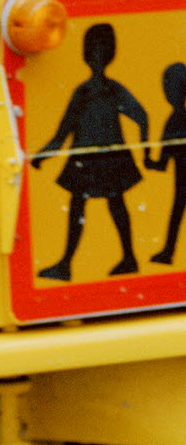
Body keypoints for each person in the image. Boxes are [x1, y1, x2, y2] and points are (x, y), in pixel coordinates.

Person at [31, 19, 149, 282]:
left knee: (116, 204)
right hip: (85, 159)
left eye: (102, 51)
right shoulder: (82, 93)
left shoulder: (112, 90)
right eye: (93, 50)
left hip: (109, 157)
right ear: (86, 54)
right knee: (79, 206)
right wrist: (40, 156)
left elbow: (141, 116)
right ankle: (66, 264)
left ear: (109, 54)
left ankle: (128, 258)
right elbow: (62, 134)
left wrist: (145, 149)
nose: (97, 56)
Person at [147, 59, 186, 265]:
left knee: (176, 214)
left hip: (182, 185)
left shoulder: (174, 121)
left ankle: (168, 253)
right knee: (176, 213)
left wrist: (147, 160)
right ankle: (168, 252)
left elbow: (161, 164)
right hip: (181, 184)